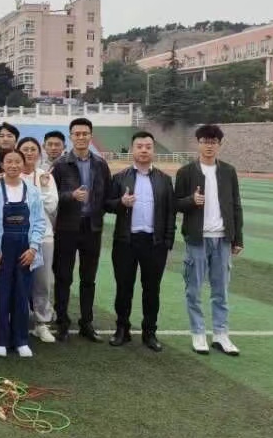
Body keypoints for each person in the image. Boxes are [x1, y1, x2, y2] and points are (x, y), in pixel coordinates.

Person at [174, 124, 244, 356]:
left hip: (222, 239)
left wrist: (238, 238)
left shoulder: (229, 171)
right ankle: (198, 333)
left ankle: (221, 334)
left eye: (213, 142)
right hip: (197, 239)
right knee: (193, 289)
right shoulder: (186, 172)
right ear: (198, 143)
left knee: (220, 290)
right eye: (205, 141)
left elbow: (236, 205)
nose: (209, 146)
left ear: (219, 145)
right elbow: (175, 203)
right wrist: (191, 200)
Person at [104, 131, 175, 352]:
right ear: (132, 149)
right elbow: (107, 204)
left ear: (153, 150)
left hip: (154, 243)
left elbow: (170, 213)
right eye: (139, 146)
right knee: (123, 288)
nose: (144, 150)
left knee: (151, 290)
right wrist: (121, 203)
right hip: (126, 242)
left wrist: (167, 242)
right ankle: (122, 329)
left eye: (148, 146)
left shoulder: (164, 180)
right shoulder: (120, 177)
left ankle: (149, 332)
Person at [49, 118, 112, 343]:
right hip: (66, 227)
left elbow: (106, 195)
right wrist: (71, 196)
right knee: (63, 277)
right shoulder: (60, 164)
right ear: (71, 136)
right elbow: (51, 196)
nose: (81, 137)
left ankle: (87, 323)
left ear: (91, 136)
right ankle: (62, 323)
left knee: (88, 278)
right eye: (77, 134)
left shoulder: (100, 164)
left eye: (85, 133)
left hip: (92, 227)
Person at [0, 148, 46, 358]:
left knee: (21, 295)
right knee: (0, 295)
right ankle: (0, 339)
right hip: (2, 249)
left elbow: (39, 222)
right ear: (2, 164)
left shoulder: (33, 191)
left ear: (23, 164)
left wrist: (33, 248)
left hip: (25, 249)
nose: (13, 165)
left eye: (17, 161)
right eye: (9, 161)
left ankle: (21, 340)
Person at [17, 137, 59, 344]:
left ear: (39, 153)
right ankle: (19, 320)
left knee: (42, 282)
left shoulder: (45, 176)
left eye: (33, 149)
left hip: (43, 236)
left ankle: (42, 323)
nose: (29, 153)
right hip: (17, 236)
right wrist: (38, 197)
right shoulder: (11, 175)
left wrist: (39, 191)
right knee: (18, 281)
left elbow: (51, 205)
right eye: (25, 149)